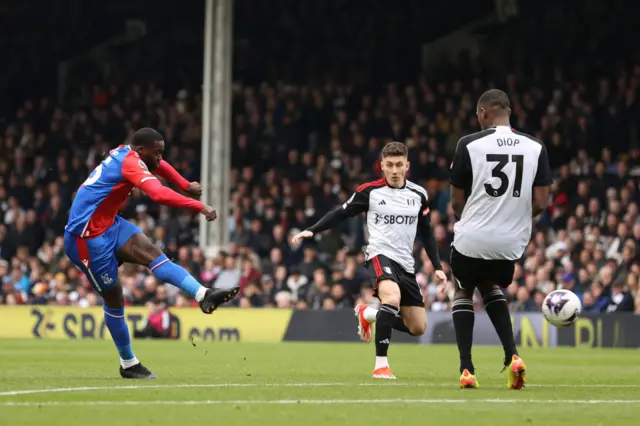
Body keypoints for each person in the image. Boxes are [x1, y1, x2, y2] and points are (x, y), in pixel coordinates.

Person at [63, 127, 239, 379]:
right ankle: (128, 363)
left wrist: (184, 183)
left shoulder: (127, 153)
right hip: (85, 238)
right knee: (114, 298)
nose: (160, 158)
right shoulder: (132, 163)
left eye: (161, 153)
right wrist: (198, 206)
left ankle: (203, 294)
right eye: (157, 153)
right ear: (141, 150)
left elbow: (161, 166)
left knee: (153, 253)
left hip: (109, 224)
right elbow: (157, 193)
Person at [292, 142, 446, 379]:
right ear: (382, 166)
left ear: (407, 166)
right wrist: (313, 230)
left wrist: (437, 266)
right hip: (379, 255)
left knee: (417, 327)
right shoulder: (370, 192)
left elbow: (426, 232)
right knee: (391, 298)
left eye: (399, 165)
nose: (394, 170)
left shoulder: (419, 194)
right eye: (390, 165)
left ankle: (369, 314)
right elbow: (341, 212)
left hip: (406, 264)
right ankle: (381, 364)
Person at [448, 89, 553, 389]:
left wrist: (472, 219)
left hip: (473, 237)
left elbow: (457, 201)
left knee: (463, 290)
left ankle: (467, 368)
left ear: (483, 113)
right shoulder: (535, 146)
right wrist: (513, 217)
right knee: (490, 284)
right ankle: (513, 356)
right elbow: (542, 203)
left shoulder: (468, 144)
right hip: (510, 244)